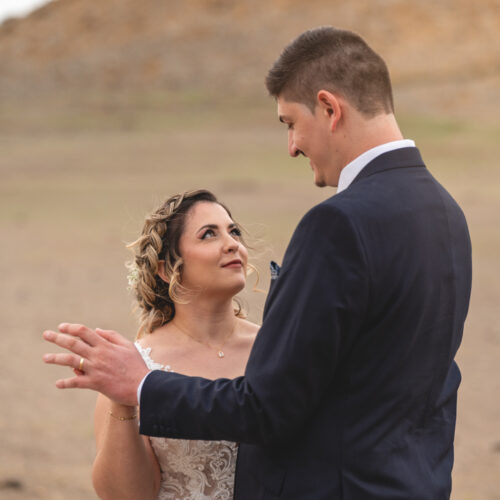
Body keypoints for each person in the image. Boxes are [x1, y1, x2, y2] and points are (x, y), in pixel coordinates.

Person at [43, 27, 472, 499]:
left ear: (330, 109)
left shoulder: (338, 224)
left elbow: (269, 408)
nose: (292, 146)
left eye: (290, 122)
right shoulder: (447, 215)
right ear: (168, 268)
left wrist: (145, 387)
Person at [90, 189, 259, 499]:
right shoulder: (135, 366)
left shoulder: (274, 346)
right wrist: (122, 400)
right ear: (167, 269)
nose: (232, 243)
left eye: (233, 231)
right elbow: (129, 495)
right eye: (209, 234)